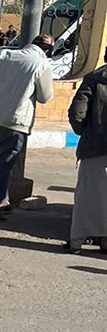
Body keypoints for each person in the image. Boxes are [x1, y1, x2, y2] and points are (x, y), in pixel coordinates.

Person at [0, 40, 54, 220]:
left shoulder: (4, 54)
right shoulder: (41, 64)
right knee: (2, 166)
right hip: (15, 122)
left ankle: (1, 201)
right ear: (47, 51)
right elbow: (45, 96)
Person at [66, 57, 107, 252]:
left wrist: (87, 132)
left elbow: (77, 112)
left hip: (94, 148)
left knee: (87, 197)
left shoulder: (93, 78)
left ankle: (76, 241)